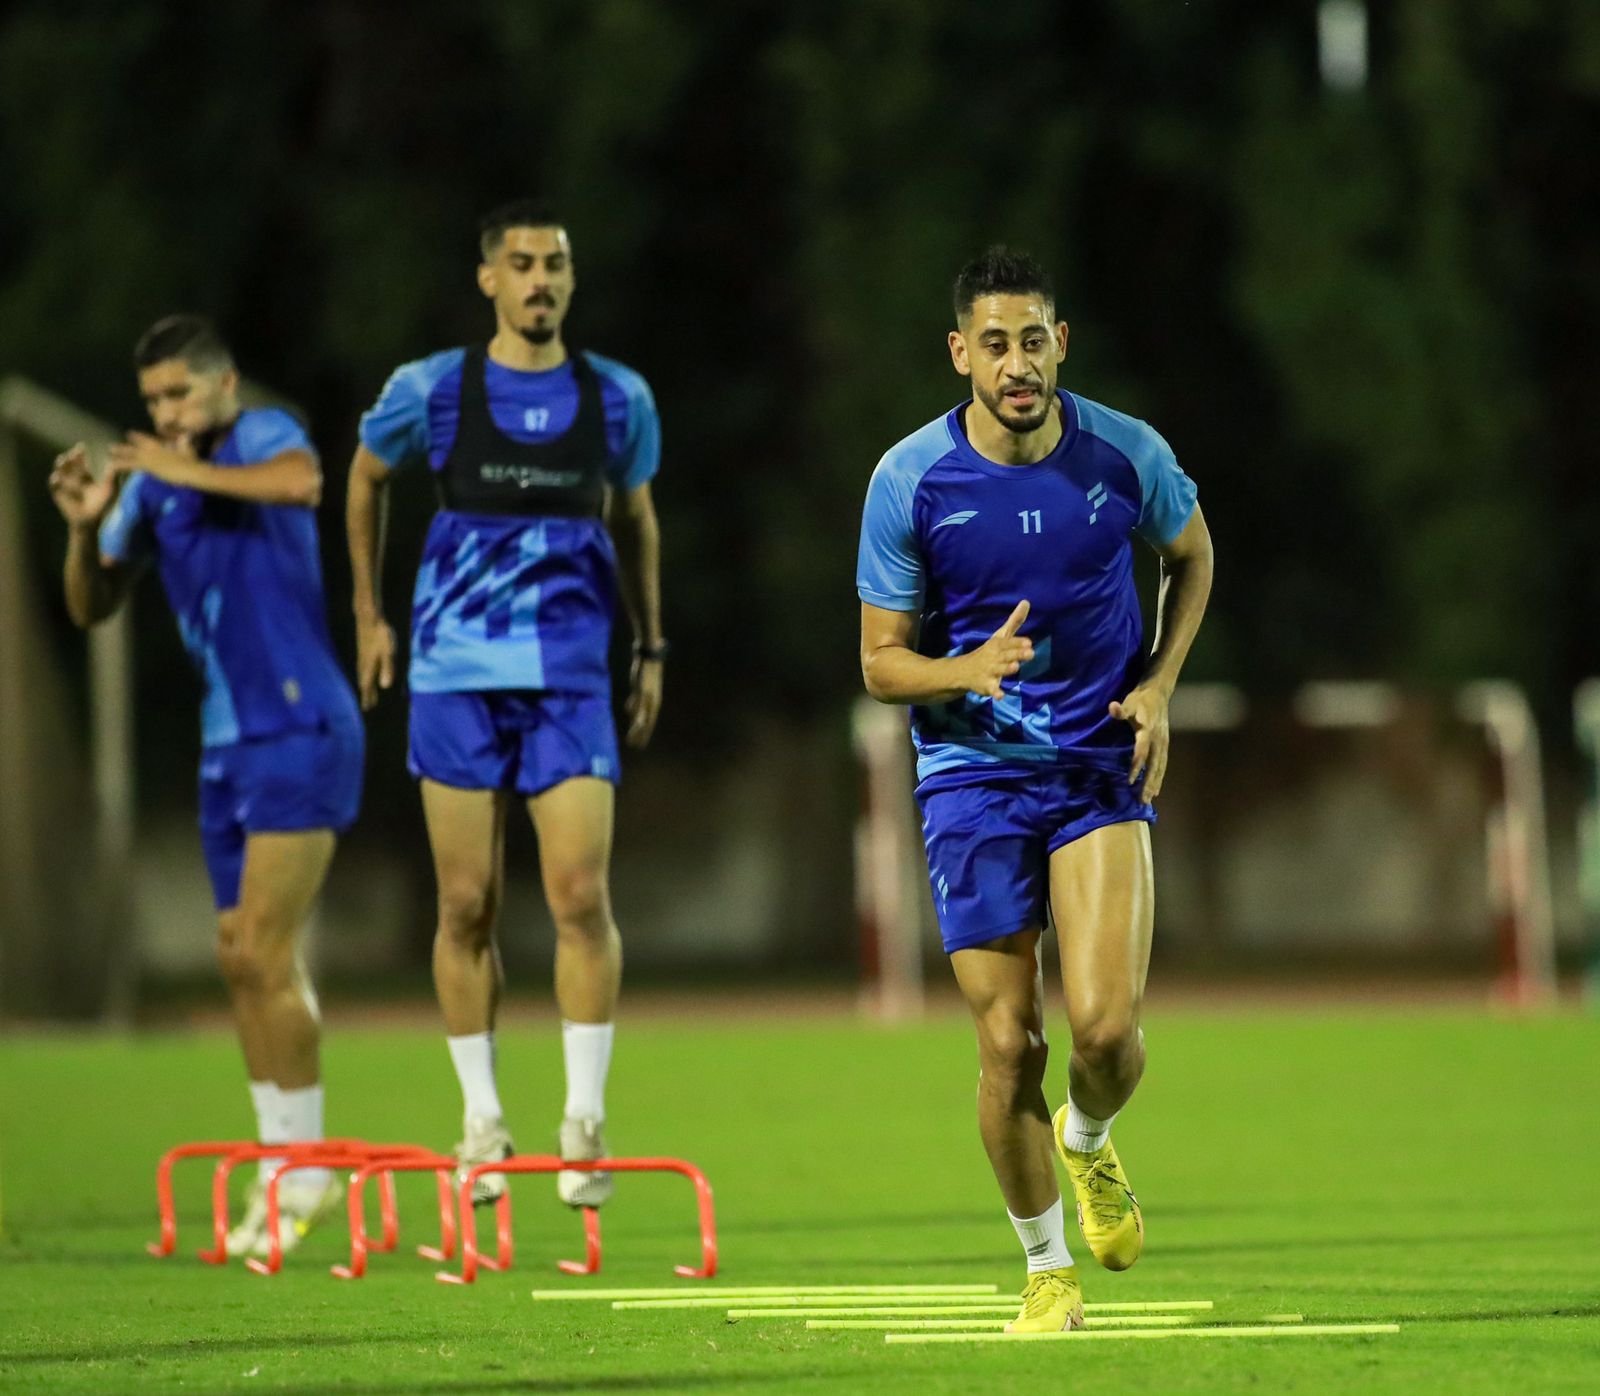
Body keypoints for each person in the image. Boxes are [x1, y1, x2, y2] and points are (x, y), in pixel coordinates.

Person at [855, 246, 1213, 1333]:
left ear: (1061, 343)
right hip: (970, 777)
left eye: (1033, 340)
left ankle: (1088, 1138)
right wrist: (961, 670)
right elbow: (880, 662)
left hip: (1096, 762)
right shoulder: (909, 479)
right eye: (994, 344)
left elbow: (1192, 555)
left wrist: (1159, 685)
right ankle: (1047, 1273)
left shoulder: (1126, 452)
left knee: (1104, 1035)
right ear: (959, 353)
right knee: (1009, 1044)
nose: (1017, 364)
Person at [345, 199, 664, 1209]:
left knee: (579, 897)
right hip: (453, 676)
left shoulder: (618, 398)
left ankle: (583, 1123)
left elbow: (637, 519)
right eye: (521, 264)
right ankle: (481, 1120)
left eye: (555, 264)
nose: (540, 281)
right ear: (488, 278)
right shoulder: (432, 388)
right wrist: (369, 616)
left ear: (570, 280)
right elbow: (364, 478)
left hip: (569, 678)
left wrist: (651, 645)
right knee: (464, 904)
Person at [49, 315, 363, 1257]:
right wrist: (84, 531)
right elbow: (91, 603)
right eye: (153, 400)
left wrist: (172, 469)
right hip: (226, 743)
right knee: (237, 956)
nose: (166, 413)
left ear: (225, 384)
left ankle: (306, 1169)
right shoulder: (155, 484)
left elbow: (300, 483)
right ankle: (281, 1161)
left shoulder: (261, 436)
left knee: (265, 946)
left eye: (179, 392)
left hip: (302, 728)